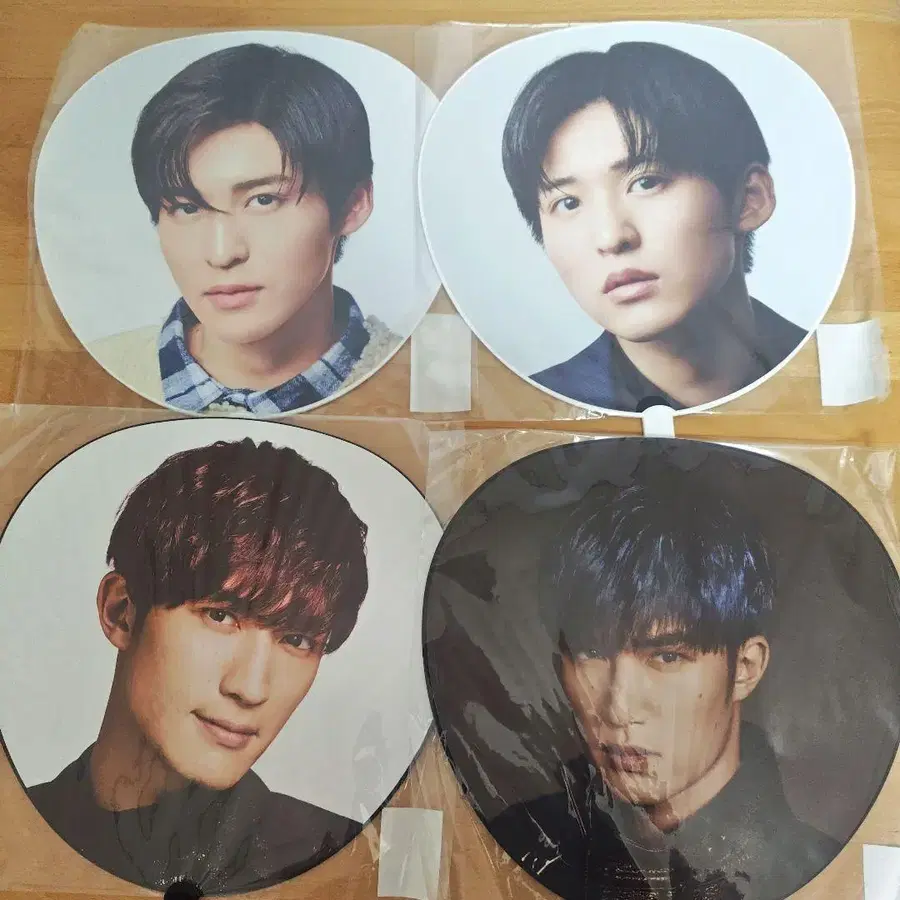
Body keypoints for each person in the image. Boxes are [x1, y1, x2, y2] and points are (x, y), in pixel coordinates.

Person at [28, 439, 370, 893]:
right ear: (122, 611)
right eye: (220, 616)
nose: (251, 688)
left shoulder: (349, 864)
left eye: (296, 640)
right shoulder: (16, 829)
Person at [490, 478, 839, 900]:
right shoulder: (511, 845)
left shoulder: (830, 877)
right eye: (590, 652)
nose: (618, 708)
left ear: (745, 669)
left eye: (668, 656)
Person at [89, 43, 399, 414]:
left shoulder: (418, 381)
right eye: (188, 208)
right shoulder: (87, 376)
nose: (222, 254)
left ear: (352, 205)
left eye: (263, 200)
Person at [501, 43, 806, 413]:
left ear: (749, 199)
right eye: (568, 203)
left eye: (646, 182)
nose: (611, 237)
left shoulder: (832, 378)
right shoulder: (532, 415)